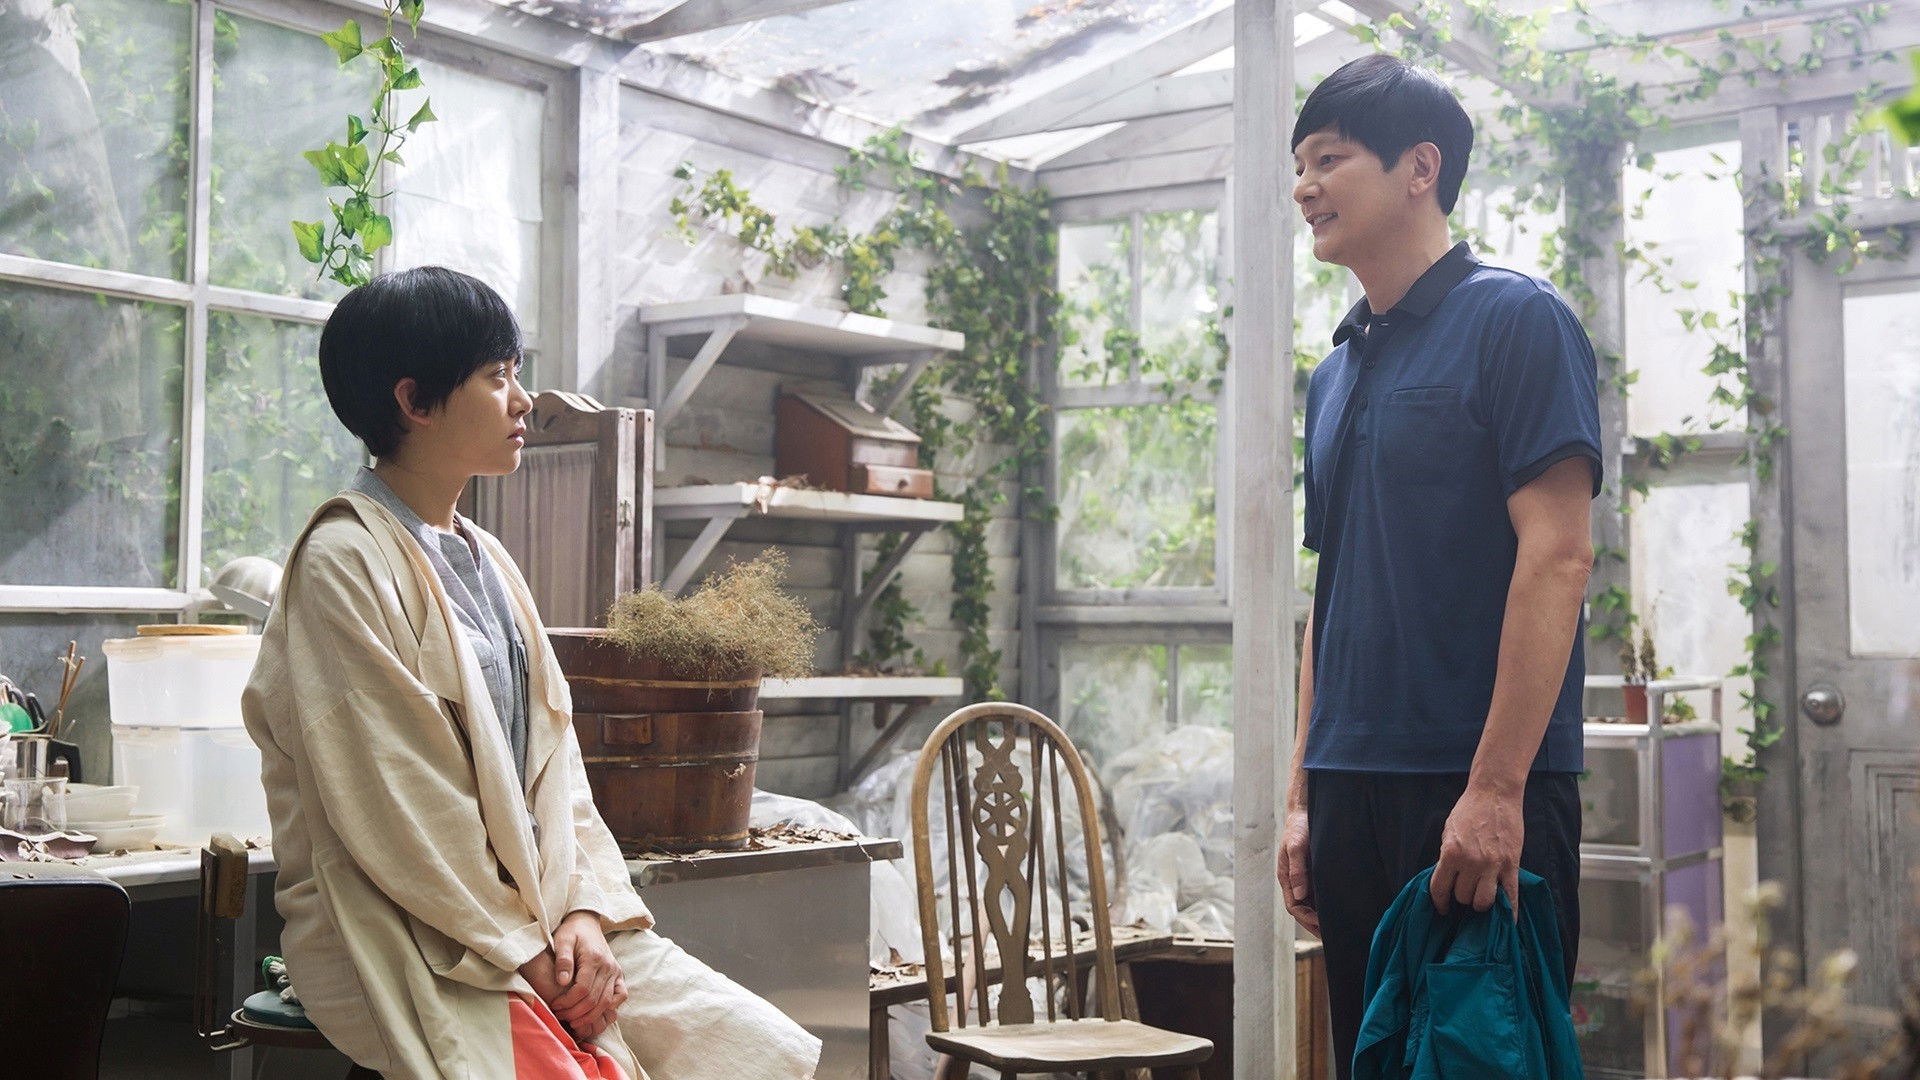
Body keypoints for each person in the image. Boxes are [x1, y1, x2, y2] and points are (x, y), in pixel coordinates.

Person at [242, 265, 821, 1080]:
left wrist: (583, 913)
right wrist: (528, 952)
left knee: (754, 1050)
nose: (523, 402)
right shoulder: (343, 561)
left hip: (545, 917)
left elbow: (558, 769)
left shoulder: (491, 560)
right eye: (497, 377)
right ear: (415, 401)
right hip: (410, 927)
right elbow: (400, 805)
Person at [1277, 55, 1601, 1079]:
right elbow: (1333, 593)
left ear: (1420, 168)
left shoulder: (1518, 319)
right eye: (1298, 167)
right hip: (1350, 788)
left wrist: (1496, 789)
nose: (1304, 187)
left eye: (1329, 159)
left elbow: (1559, 554)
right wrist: (1303, 793)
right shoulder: (1333, 373)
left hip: (1476, 785)